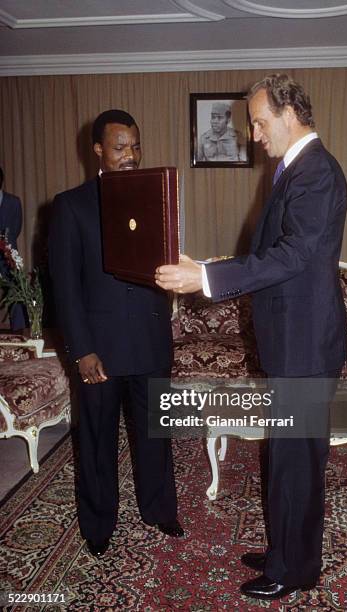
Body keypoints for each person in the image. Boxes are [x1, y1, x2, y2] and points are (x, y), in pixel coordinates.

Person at [155, 74, 347, 600]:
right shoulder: (292, 170)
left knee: (298, 462)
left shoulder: (317, 174)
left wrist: (208, 278)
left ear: (290, 114)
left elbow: (293, 255)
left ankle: (296, 569)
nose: (255, 135)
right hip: (292, 341)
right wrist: (211, 269)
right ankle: (285, 549)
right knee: (284, 455)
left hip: (305, 347)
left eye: (260, 123)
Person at [48, 109, 183, 558]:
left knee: (155, 433)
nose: (130, 155)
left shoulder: (156, 198)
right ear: (98, 151)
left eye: (136, 145)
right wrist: (81, 350)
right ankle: (98, 523)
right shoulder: (70, 206)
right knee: (97, 438)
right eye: (121, 146)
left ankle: (160, 509)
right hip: (99, 350)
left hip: (149, 340)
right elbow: (65, 287)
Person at [0, 166, 26, 330]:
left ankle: (20, 331)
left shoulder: (14, 202)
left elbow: (16, 228)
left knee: (16, 295)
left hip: (8, 256)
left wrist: (6, 247)